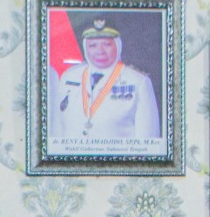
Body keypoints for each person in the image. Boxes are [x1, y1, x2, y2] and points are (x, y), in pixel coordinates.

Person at [48, 18, 161, 147]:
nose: (100, 51)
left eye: (107, 44)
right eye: (93, 45)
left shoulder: (138, 82)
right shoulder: (69, 76)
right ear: (85, 47)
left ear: (118, 46)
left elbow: (148, 142)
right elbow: (56, 129)